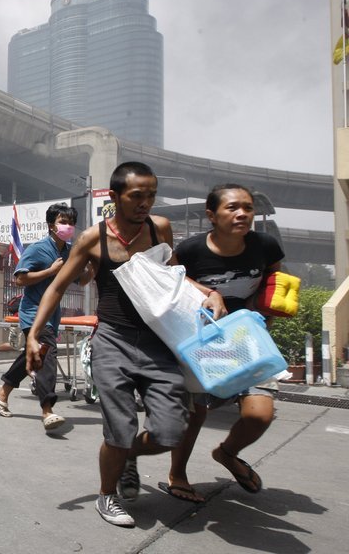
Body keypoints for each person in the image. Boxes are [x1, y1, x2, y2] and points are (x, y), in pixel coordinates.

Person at [26, 162, 222, 527]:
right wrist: (34, 335)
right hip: (112, 341)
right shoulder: (92, 238)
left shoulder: (159, 229)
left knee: (170, 431)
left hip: (157, 343)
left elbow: (175, 278)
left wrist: (209, 292)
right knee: (119, 427)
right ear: (115, 197)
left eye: (151, 195)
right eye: (136, 196)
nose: (145, 203)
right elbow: (57, 287)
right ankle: (107, 494)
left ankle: (125, 454)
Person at [160, 184, 283, 503]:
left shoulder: (266, 245)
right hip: (203, 341)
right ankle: (177, 475)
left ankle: (227, 453)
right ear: (212, 216)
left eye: (248, 207)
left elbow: (273, 278)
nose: (242, 213)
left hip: (248, 339)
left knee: (260, 414)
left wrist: (268, 313)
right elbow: (172, 278)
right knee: (194, 413)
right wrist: (209, 292)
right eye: (232, 208)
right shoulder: (191, 250)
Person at [0, 205, 93, 432]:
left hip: (52, 315)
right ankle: (47, 409)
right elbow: (20, 279)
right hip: (32, 313)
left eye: (71, 223)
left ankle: (2, 392)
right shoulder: (38, 249)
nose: (67, 226)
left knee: (36, 354)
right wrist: (50, 271)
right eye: (63, 221)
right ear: (51, 225)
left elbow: (82, 280)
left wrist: (93, 266)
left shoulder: (70, 252)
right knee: (48, 354)